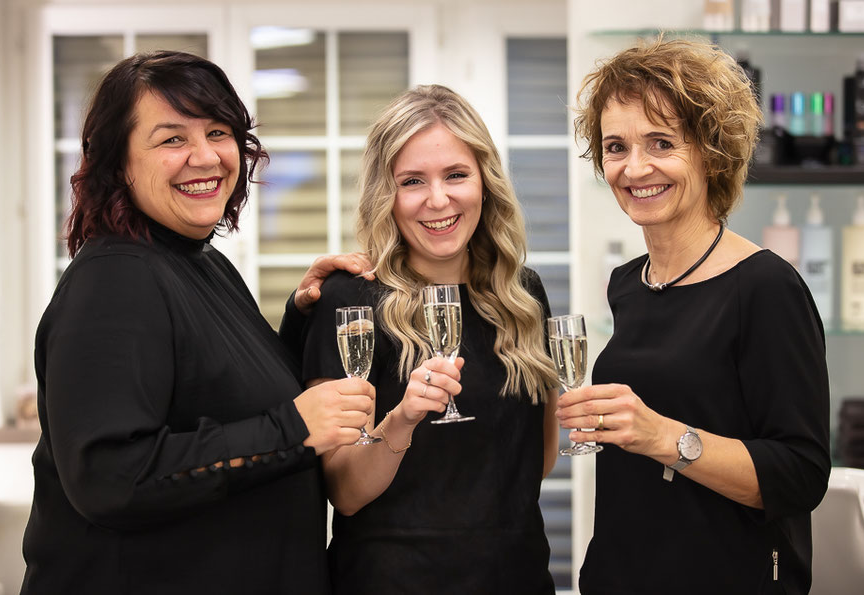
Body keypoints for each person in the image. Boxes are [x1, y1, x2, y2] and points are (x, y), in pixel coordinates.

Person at [21, 50, 377, 594]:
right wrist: (295, 429)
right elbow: (112, 478)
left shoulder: (197, 261)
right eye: (172, 139)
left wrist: (302, 317)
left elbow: (217, 395)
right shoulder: (116, 279)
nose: (206, 156)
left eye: (218, 131)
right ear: (118, 163)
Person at [562, 36, 831, 594]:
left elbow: (800, 474)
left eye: (661, 143)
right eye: (616, 147)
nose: (635, 168)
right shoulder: (628, 284)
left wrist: (664, 436)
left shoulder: (766, 287)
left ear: (710, 151)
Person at [295, 85, 559, 594]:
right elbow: (345, 493)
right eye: (412, 181)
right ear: (386, 196)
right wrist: (403, 420)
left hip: (516, 578)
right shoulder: (348, 304)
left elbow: (536, 460)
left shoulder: (523, 295)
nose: (438, 200)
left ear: (485, 181)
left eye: (456, 175)